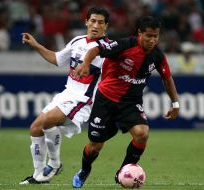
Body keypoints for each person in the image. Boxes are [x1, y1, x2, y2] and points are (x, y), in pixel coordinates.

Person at [72, 16, 180, 188]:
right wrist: (85, 63)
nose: (152, 40)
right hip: (106, 99)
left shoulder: (157, 55)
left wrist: (175, 104)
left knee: (142, 133)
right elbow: (95, 50)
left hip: (130, 103)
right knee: (95, 146)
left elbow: (167, 78)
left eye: (156, 36)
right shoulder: (124, 45)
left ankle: (123, 171)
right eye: (149, 36)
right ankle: (85, 170)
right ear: (139, 33)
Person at [19, 6, 110, 184]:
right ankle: (39, 175)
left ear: (106, 26)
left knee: (48, 121)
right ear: (86, 22)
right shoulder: (77, 41)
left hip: (84, 99)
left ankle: (54, 164)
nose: (95, 25)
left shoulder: (107, 49)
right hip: (67, 93)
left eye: (100, 22)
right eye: (92, 21)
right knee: (35, 128)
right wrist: (36, 45)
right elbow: (57, 59)